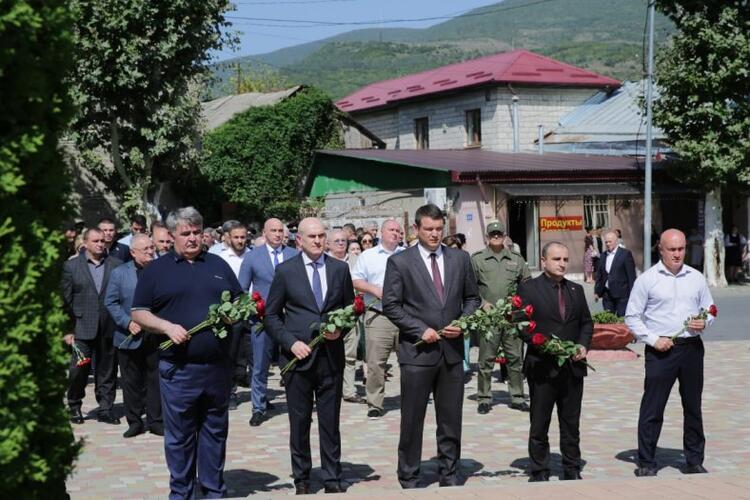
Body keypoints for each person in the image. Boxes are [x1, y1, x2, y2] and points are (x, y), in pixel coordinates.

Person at [131, 207, 243, 499]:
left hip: (217, 367)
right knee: (180, 437)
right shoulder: (157, 270)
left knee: (215, 433)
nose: (193, 238)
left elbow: (241, 301)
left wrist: (235, 315)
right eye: (186, 233)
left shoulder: (217, 265)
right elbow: (139, 312)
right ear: (171, 236)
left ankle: (213, 490)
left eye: (197, 232)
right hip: (178, 370)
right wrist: (166, 327)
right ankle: (181, 493)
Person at [382, 204, 481, 489]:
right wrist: (419, 329)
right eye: (429, 229)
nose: (435, 234)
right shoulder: (400, 262)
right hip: (417, 353)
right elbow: (391, 305)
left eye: (439, 229)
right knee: (412, 419)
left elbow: (472, 298)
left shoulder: (460, 259)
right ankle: (409, 475)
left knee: (451, 419)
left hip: (451, 354)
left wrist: (463, 322)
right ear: (416, 229)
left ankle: (450, 472)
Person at [265, 217, 355, 494]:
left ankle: (332, 477)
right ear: (299, 240)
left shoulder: (339, 269)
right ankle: (302, 478)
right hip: (298, 360)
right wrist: (290, 343)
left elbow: (350, 310)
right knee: (300, 421)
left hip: (330, 358)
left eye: (321, 236)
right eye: (311, 236)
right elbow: (270, 315)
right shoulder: (286, 271)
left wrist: (340, 330)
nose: (317, 241)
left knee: (330, 422)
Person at [625, 229, 715, 477]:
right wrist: (654, 340)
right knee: (653, 407)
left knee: (693, 406)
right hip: (661, 351)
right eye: (672, 249)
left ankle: (694, 460)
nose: (677, 254)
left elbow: (710, 308)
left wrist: (704, 322)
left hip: (692, 349)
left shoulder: (696, 277)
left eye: (681, 248)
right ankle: (646, 461)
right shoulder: (647, 279)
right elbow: (632, 317)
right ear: (660, 249)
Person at [517, 241, 593, 482]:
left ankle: (571, 468)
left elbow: (586, 323)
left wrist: (582, 345)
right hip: (542, 367)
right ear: (544, 261)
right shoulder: (529, 289)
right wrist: (545, 344)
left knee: (571, 423)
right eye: (556, 259)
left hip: (572, 368)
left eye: (565, 260)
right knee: (540, 423)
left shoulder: (576, 290)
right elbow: (521, 325)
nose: (562, 264)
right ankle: (539, 470)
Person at [237, 218, 297, 427]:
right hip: (261, 319)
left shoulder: (294, 255)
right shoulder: (252, 258)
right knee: (260, 364)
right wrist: (253, 307)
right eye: (273, 230)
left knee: (291, 361)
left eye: (281, 231)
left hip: (288, 319)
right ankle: (259, 407)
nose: (278, 234)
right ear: (264, 232)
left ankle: (296, 401)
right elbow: (241, 290)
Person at [61, 228, 122, 425]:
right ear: (85, 243)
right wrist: (67, 330)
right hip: (81, 327)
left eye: (103, 241)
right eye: (95, 240)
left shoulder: (116, 265)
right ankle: (74, 404)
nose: (100, 244)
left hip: (108, 326)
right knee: (79, 369)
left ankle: (105, 408)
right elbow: (64, 300)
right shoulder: (72, 267)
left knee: (107, 371)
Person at [104, 233, 162, 438]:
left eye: (151, 248)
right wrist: (127, 322)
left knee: (155, 379)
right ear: (133, 252)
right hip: (128, 336)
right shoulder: (120, 273)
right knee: (131, 382)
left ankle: (156, 421)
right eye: (145, 249)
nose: (150, 252)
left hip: (154, 336)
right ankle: (135, 421)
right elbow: (111, 302)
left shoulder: (160, 270)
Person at [472, 221, 531, 414]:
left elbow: (527, 283)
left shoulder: (516, 258)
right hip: (489, 318)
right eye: (492, 234)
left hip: (511, 317)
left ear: (504, 236)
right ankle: (484, 398)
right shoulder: (478, 259)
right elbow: (469, 286)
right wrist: (482, 303)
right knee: (486, 360)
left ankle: (517, 397)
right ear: (487, 237)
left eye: (499, 234)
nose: (496, 236)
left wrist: (519, 302)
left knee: (515, 359)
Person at [352, 219, 404, 419]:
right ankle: (375, 403)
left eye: (398, 231)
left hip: (404, 315)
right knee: (375, 363)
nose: (395, 233)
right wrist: (374, 289)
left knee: (409, 360)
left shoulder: (406, 254)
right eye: (391, 230)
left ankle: (411, 398)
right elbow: (355, 279)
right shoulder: (368, 256)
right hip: (378, 314)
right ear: (381, 233)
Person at [326, 228, 362, 404]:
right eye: (337, 241)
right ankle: (330, 387)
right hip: (330, 315)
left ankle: (349, 390)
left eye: (343, 241)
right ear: (328, 244)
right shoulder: (323, 261)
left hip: (352, 313)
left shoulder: (357, 260)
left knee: (350, 353)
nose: (341, 243)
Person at [594, 230, 636, 317]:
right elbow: (599, 275)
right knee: (608, 319)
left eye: (610, 241)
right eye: (606, 242)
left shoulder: (625, 254)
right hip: (607, 295)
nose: (608, 244)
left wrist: (633, 294)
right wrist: (597, 291)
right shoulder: (603, 256)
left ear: (616, 241)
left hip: (622, 295)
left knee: (621, 320)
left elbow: (631, 276)